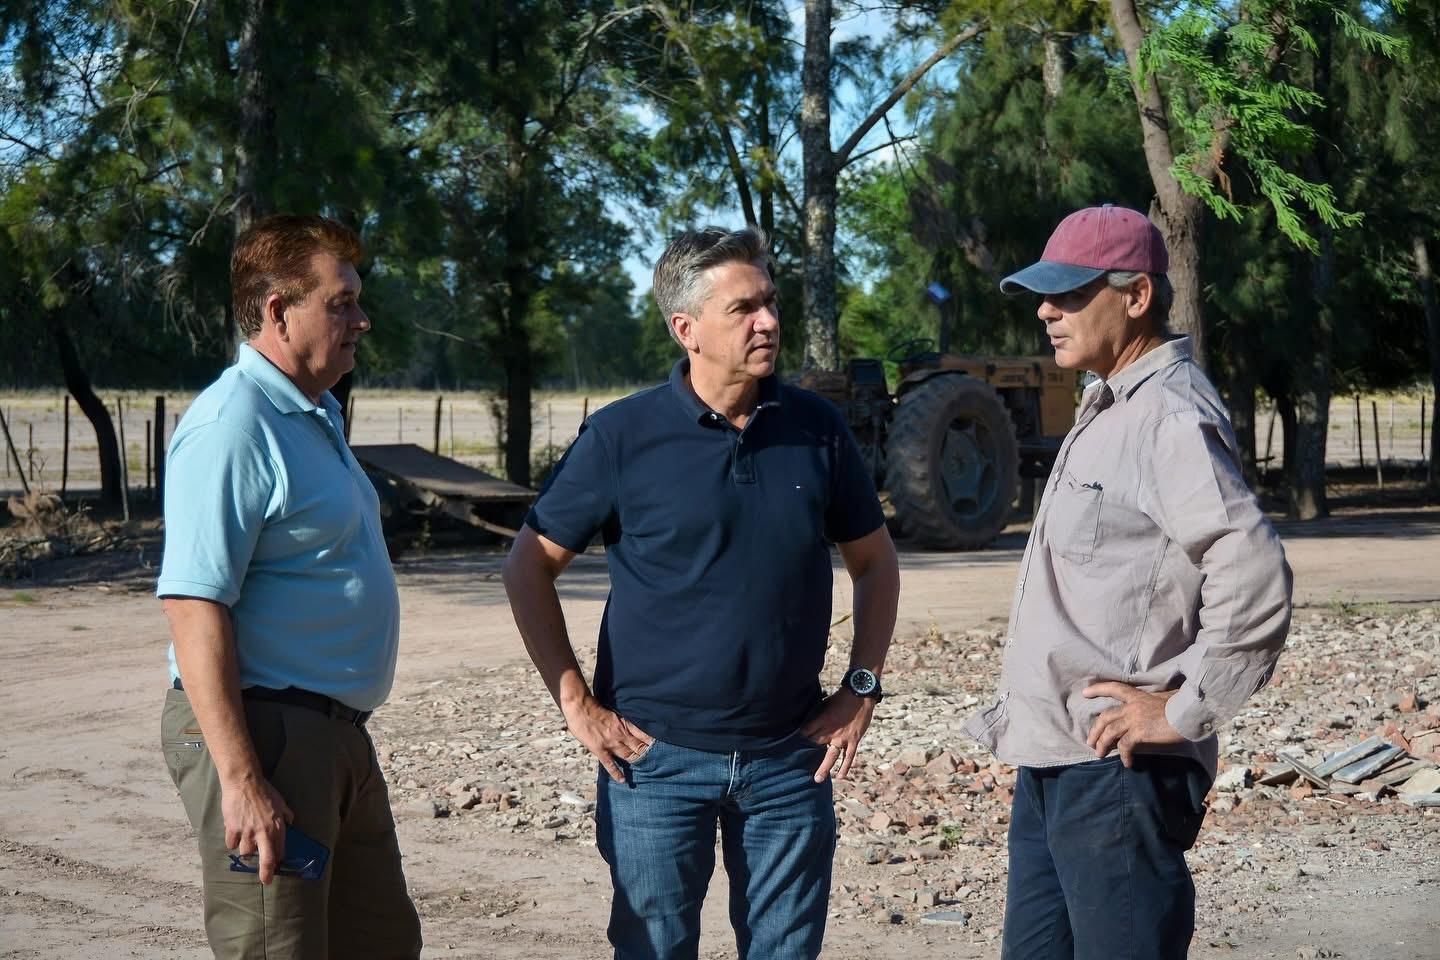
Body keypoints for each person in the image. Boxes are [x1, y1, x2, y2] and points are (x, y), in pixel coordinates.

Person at [503, 225, 900, 960]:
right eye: (745, 308)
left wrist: (861, 687)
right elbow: (528, 566)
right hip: (653, 761)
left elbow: (875, 563)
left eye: (771, 302)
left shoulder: (817, 429)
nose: (769, 321)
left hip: (791, 757)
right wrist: (575, 704)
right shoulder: (623, 437)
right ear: (686, 328)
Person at [964, 204, 1293, 959]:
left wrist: (1184, 710)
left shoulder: (1168, 416)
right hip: (1056, 757)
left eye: (1071, 293)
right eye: (1045, 295)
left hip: (1118, 771)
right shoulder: (1110, 402)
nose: (1047, 310)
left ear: (1136, 296)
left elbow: (1252, 569)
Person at [157, 214, 421, 959]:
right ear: (278, 310)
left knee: (381, 943)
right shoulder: (234, 422)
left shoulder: (312, 413)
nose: (362, 319)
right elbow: (193, 601)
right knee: (281, 947)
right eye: (341, 302)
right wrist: (241, 776)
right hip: (266, 734)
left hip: (334, 735)